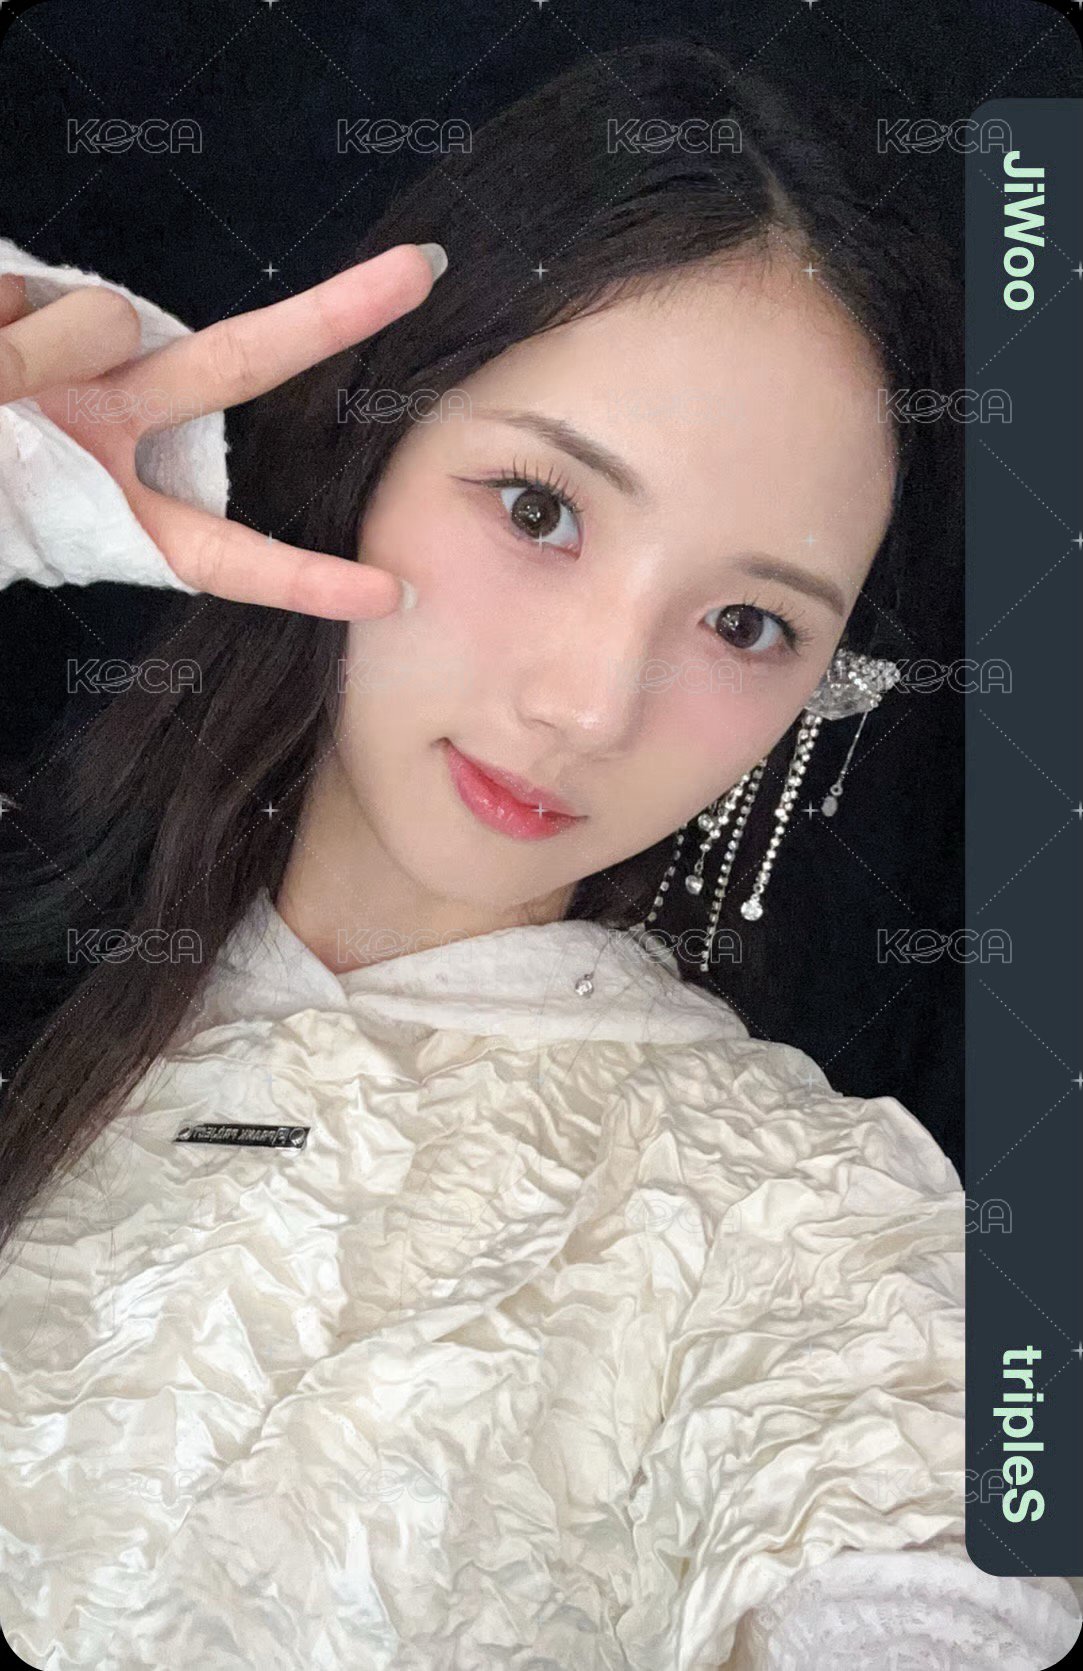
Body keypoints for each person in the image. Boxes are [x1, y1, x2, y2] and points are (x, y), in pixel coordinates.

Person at [0, 37, 1079, 1671]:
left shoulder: (800, 1219)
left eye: (745, 623)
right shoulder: (56, 958)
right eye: (539, 511)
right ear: (368, 441)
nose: (589, 706)